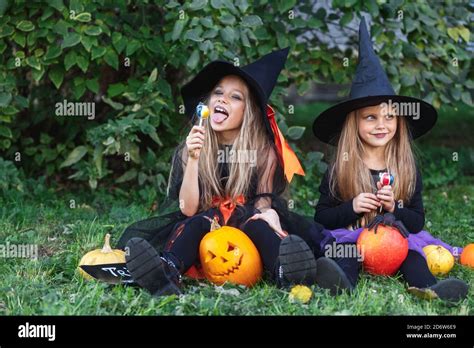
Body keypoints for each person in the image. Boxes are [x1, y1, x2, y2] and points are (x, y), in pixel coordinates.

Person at [117, 48, 327, 296]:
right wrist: (193, 159)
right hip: (208, 223)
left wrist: (269, 217)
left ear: (248, 112)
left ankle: (287, 274)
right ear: (206, 104)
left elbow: (262, 203)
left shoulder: (263, 152)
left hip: (248, 224)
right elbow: (188, 208)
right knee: (195, 224)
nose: (223, 99)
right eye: (218, 93)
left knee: (259, 226)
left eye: (235, 97)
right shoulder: (195, 146)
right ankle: (166, 272)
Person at [311, 18, 468, 302]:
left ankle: (430, 289)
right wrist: (352, 207)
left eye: (389, 116)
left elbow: (417, 222)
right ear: (353, 124)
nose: (381, 124)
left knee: (413, 255)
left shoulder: (406, 168)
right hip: (354, 237)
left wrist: (395, 207)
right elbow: (322, 217)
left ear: (399, 120)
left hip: (395, 240)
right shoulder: (341, 168)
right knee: (347, 253)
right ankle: (341, 282)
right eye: (370, 117)